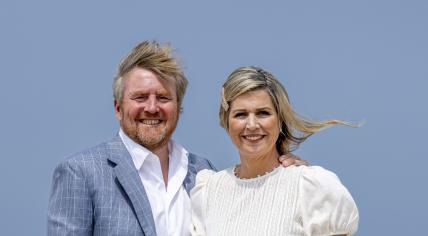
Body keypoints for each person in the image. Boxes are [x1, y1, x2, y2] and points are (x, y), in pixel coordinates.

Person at [47, 41, 304, 236]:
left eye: (163, 97)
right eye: (139, 97)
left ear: (179, 106)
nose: (151, 107)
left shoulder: (205, 175)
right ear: (117, 108)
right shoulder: (81, 173)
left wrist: (281, 173)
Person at [190, 66, 359, 236]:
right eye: (240, 114)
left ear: (280, 120)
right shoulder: (208, 192)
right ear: (226, 122)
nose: (252, 125)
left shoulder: (311, 187)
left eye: (263, 113)